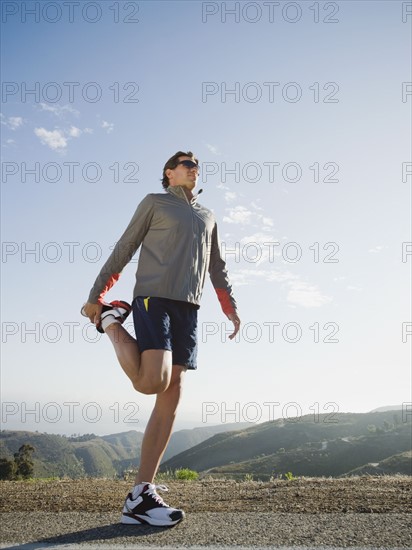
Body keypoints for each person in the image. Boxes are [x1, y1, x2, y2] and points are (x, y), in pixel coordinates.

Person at [81, 151, 240, 527]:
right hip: (153, 298)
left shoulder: (208, 215)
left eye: (196, 163)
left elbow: (216, 264)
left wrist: (229, 305)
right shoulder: (155, 203)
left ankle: (140, 495)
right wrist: (95, 296)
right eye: (185, 162)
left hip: (189, 307)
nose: (193, 166)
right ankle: (109, 321)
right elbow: (125, 247)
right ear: (169, 173)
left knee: (173, 394)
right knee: (153, 381)